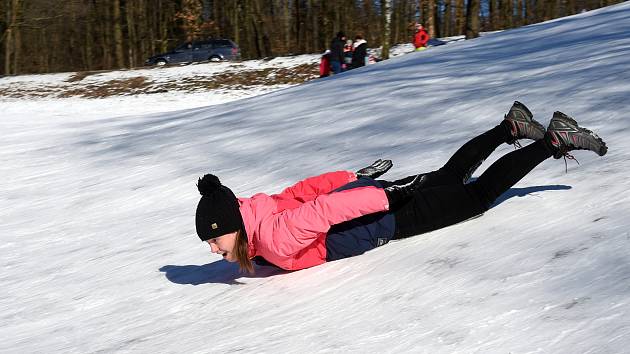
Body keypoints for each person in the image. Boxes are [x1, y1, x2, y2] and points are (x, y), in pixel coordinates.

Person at [195, 102, 607, 273]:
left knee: (477, 196)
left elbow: (320, 213)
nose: (214, 248)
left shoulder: (274, 237)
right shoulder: (260, 215)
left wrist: (383, 195)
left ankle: (555, 140)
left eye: (215, 239)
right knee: (449, 177)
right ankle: (511, 126)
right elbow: (302, 192)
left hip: (385, 217)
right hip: (366, 197)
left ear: (233, 224)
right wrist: (351, 178)